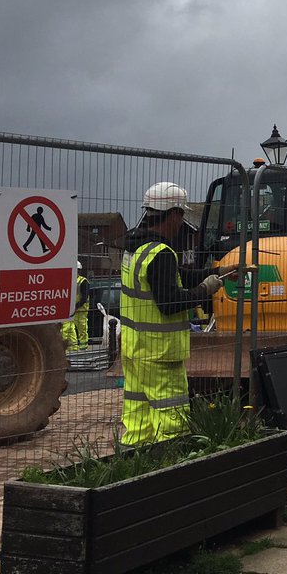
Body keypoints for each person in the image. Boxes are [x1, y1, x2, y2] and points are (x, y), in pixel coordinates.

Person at [120, 182, 227, 446]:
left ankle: (135, 461)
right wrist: (206, 289)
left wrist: (221, 272)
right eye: (181, 215)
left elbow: (175, 278)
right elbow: (170, 301)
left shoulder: (136, 247)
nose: (181, 223)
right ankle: (171, 462)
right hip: (160, 352)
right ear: (174, 214)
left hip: (134, 348)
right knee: (171, 413)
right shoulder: (161, 252)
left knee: (138, 413)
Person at [61, 261, 90, 351]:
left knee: (82, 329)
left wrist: (76, 306)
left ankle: (83, 347)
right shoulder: (68, 280)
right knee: (68, 329)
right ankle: (72, 347)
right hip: (71, 309)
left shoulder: (83, 281)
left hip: (81, 310)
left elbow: (84, 297)